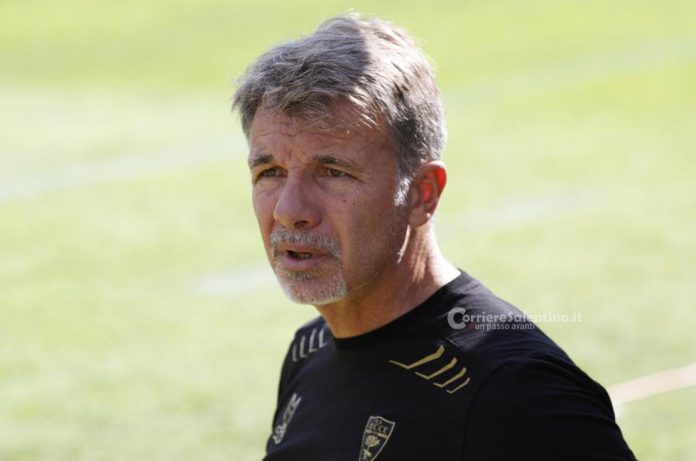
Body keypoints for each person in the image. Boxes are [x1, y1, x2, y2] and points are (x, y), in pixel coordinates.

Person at [232, 13, 636, 460]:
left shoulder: (516, 394)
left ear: (423, 193)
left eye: (333, 172)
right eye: (270, 172)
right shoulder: (310, 350)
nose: (289, 211)